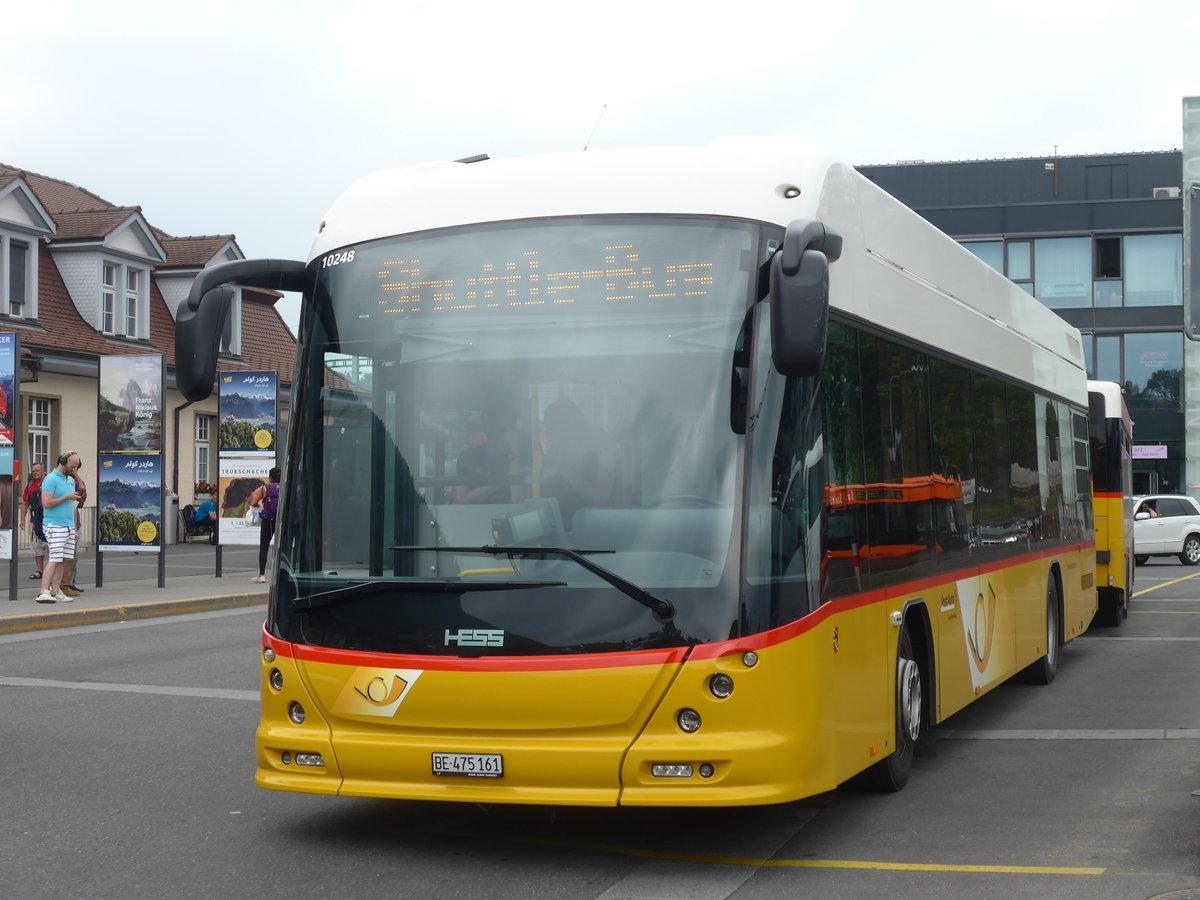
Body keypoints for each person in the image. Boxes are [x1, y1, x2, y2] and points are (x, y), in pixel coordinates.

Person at [538, 398, 618, 528]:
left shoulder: (601, 446)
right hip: (555, 532)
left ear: (568, 427)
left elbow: (599, 499)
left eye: (552, 428)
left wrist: (564, 471)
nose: (548, 433)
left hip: (594, 532)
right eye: (547, 429)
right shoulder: (554, 454)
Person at [36, 452, 83, 604]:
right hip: (54, 524)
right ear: (62, 462)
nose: (74, 470)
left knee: (62, 559)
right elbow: (46, 503)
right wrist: (66, 497)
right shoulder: (50, 479)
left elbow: (73, 507)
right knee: (54, 558)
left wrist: (74, 529)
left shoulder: (70, 480)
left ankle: (56, 590)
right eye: (72, 466)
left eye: (76, 467)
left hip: (68, 525)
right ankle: (44, 591)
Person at [247, 467, 281, 584]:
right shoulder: (287, 486)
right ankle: (283, 574)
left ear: (270, 478)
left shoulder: (264, 488)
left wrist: (258, 505)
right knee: (283, 547)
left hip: (268, 520)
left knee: (264, 547)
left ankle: (261, 575)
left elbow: (252, 502)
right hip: (282, 520)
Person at [58, 473, 87, 597]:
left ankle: (65, 585)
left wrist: (75, 474)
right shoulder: (59, 483)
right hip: (60, 525)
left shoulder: (70, 483)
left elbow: (81, 490)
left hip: (70, 525)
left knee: (71, 557)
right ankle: (61, 586)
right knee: (63, 558)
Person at [19, 462, 46, 580]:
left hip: (49, 520)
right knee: (37, 546)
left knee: (51, 546)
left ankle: (53, 570)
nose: (34, 472)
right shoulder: (29, 486)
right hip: (34, 520)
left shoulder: (49, 482)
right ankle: (40, 570)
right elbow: (25, 503)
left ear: (43, 471)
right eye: (33, 470)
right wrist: (22, 520)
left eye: (37, 470)